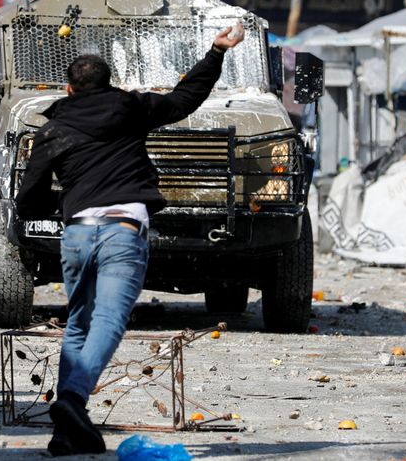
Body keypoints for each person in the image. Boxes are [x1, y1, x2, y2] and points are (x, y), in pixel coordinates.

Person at [16, 26, 244, 456]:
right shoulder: (129, 107)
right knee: (108, 321)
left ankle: (67, 432)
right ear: (109, 82)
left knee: (78, 324)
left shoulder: (53, 129)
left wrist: (66, 200)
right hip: (123, 229)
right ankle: (71, 399)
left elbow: (27, 200)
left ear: (68, 88)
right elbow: (184, 99)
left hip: (78, 233)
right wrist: (216, 51)